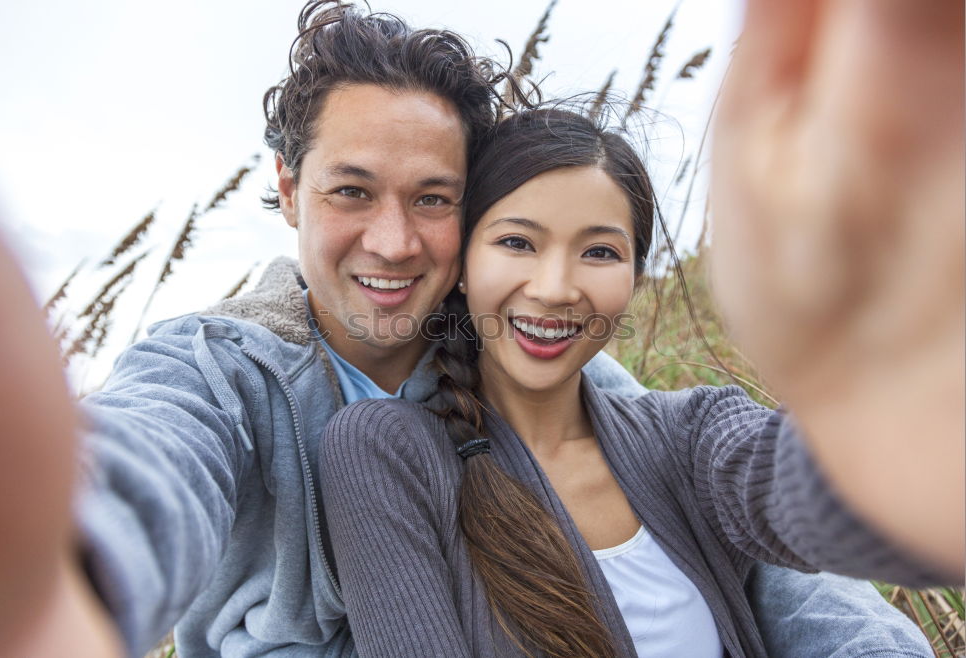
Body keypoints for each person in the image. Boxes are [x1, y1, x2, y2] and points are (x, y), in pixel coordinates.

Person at [0, 0, 956, 657]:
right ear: (287, 190)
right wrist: (58, 572)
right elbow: (145, 461)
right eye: (352, 190)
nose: (392, 242)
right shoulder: (219, 372)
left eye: (433, 198)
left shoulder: (566, 379)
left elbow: (776, 567)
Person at [320, 104, 958, 658]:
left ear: (633, 277)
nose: (555, 289)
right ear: (462, 264)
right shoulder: (386, 453)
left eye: (600, 252)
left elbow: (835, 497)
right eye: (517, 242)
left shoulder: (691, 432)